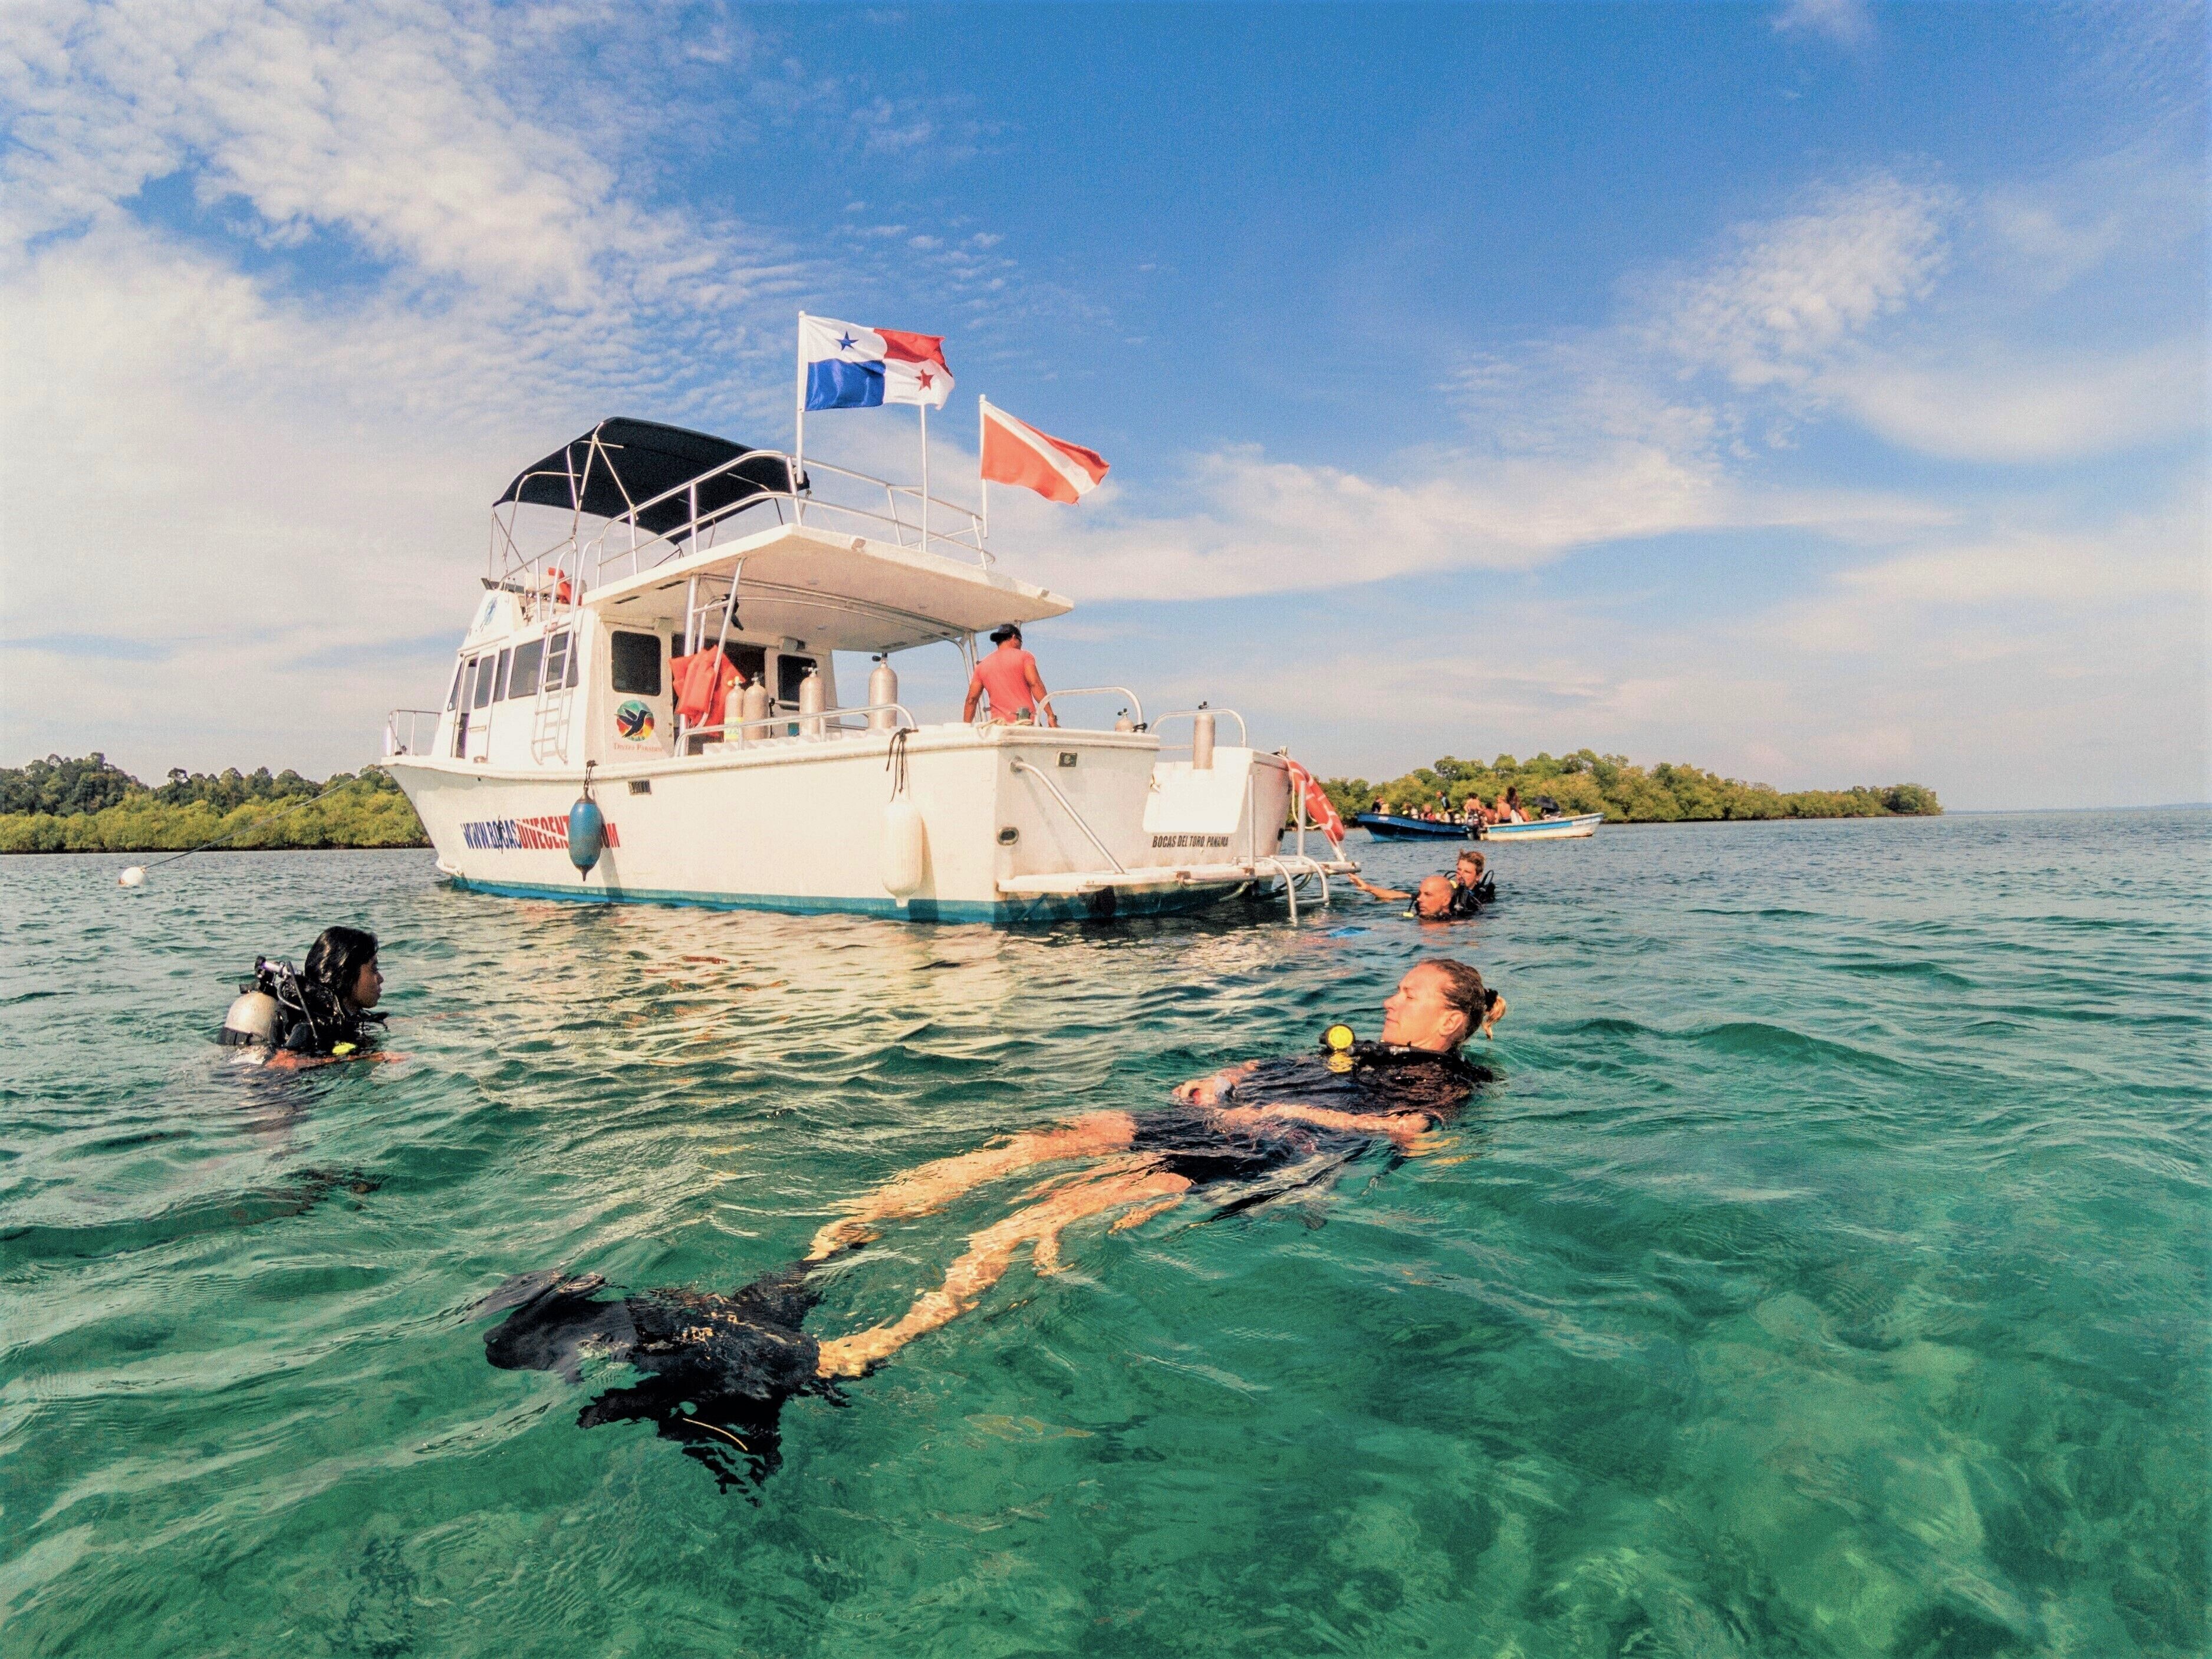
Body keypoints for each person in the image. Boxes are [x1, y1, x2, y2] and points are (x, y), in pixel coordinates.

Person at [479, 961, 1508, 1485]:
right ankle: (830, 1245)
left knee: (1030, 1223)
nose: (1392, 997)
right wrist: (1229, 1073)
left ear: (1451, 1022)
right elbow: (1268, 1064)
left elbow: (1412, 1133)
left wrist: (1268, 1115)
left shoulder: (1448, 1079)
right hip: (1227, 1112)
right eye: (1399, 986)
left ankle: (859, 1347)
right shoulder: (1352, 1048)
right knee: (1026, 1145)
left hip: (1253, 1147)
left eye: (1412, 994)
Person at [220, 926, 387, 1064]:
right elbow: (282, 1064)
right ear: (346, 975)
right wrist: (369, 1058)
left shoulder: (336, 1013)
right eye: (374, 968)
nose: (380, 978)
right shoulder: (310, 1024)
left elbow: (360, 1020)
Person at [962, 624, 1057, 727]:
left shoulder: (982, 665)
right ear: (1014, 637)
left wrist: (965, 727)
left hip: (998, 726)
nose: (1021, 645)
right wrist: (1050, 715)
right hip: (1024, 723)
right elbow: (1035, 684)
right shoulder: (1025, 656)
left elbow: (971, 700)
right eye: (1021, 642)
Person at [1344, 870, 1466, 920]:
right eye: (1420, 893)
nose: (1419, 899)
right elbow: (1397, 895)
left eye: (1428, 895)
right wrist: (1368, 888)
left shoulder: (1456, 925)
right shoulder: (1417, 915)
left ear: (1445, 901)